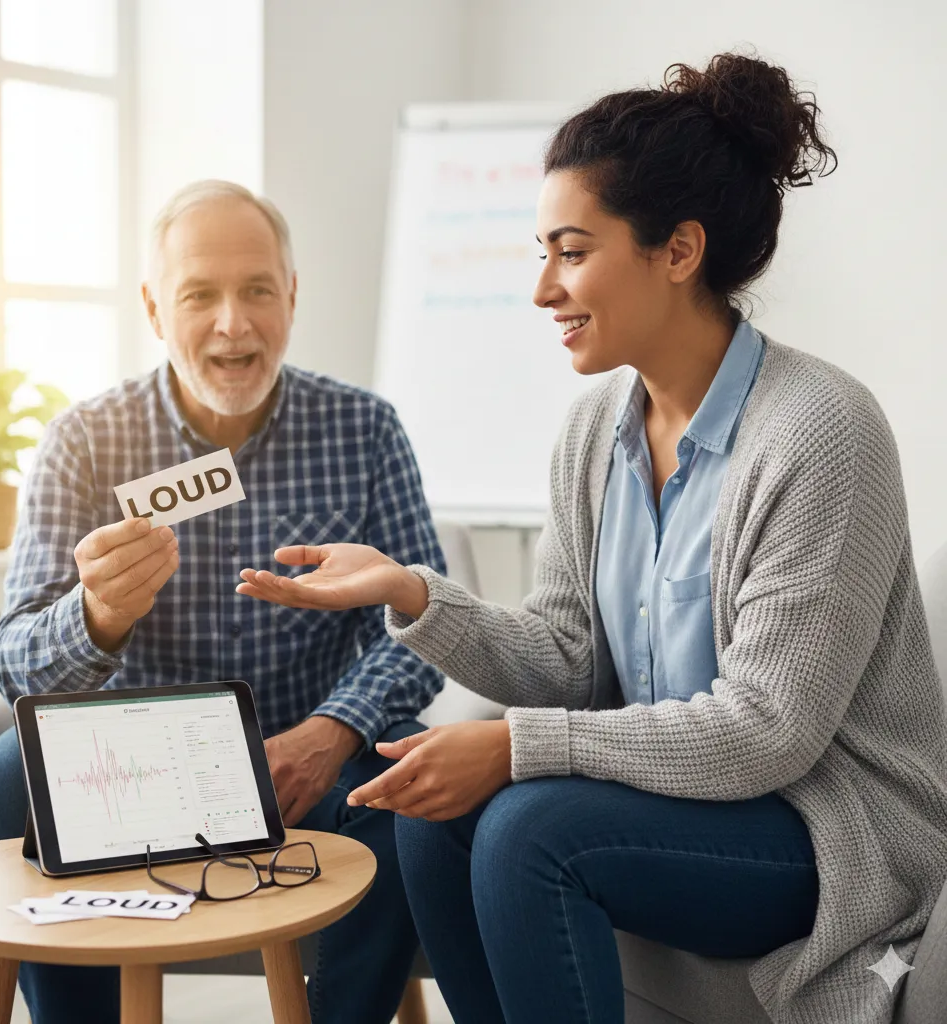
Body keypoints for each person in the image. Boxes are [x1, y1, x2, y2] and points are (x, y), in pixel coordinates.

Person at [235, 53, 947, 1024]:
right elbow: (565, 657)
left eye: (570, 251)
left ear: (678, 251)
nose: (542, 289)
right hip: (682, 805)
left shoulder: (819, 430)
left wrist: (517, 746)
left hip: (827, 827)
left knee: (531, 824)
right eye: (541, 252)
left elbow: (767, 731)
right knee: (432, 819)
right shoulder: (595, 432)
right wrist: (407, 590)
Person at [0, 180, 446, 1024]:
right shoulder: (85, 439)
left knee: (414, 786)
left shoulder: (366, 430)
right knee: (12, 771)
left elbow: (424, 627)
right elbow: (13, 662)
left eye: (258, 290)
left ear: (292, 298)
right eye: (200, 295)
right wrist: (96, 618)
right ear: (156, 309)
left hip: (312, 760)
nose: (233, 323)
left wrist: (331, 730)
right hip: (135, 770)